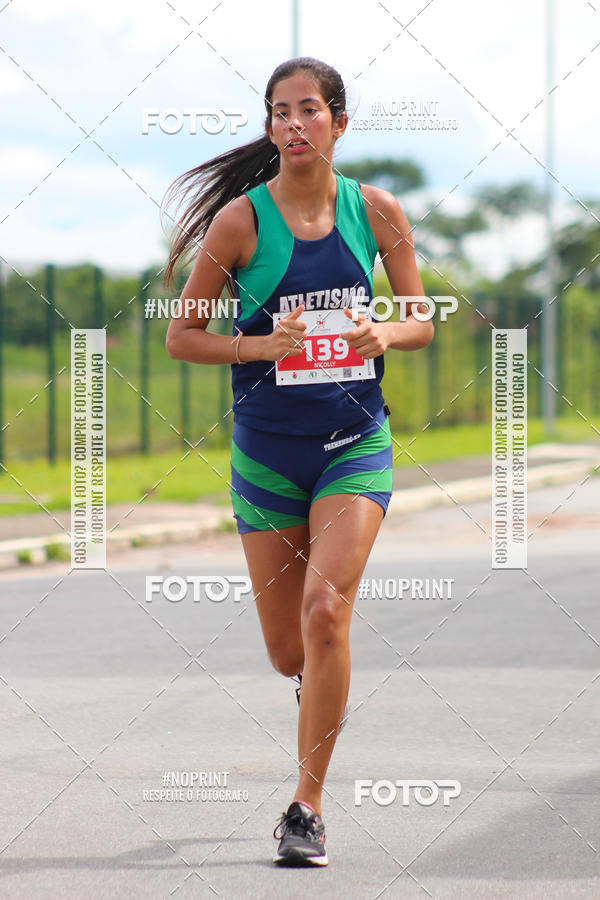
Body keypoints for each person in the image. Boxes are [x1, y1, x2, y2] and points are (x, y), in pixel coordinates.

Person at [163, 56, 433, 868]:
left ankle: (305, 808)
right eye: (279, 111)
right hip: (269, 457)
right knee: (291, 652)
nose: (293, 123)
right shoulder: (241, 224)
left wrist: (386, 332)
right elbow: (183, 336)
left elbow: (422, 318)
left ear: (338, 124)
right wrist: (258, 344)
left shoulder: (376, 213)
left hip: (355, 446)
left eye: (308, 110)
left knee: (325, 614)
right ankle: (320, 680)